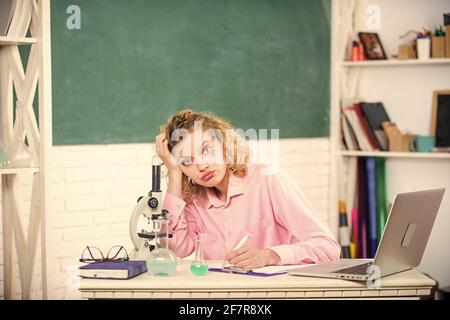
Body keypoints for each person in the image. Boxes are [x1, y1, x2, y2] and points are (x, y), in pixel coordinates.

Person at [155, 109, 340, 269]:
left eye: (206, 150)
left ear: (224, 145)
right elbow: (174, 249)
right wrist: (174, 175)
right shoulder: (194, 199)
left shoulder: (266, 179)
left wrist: (271, 255)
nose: (202, 166)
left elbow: (329, 247)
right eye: (187, 162)